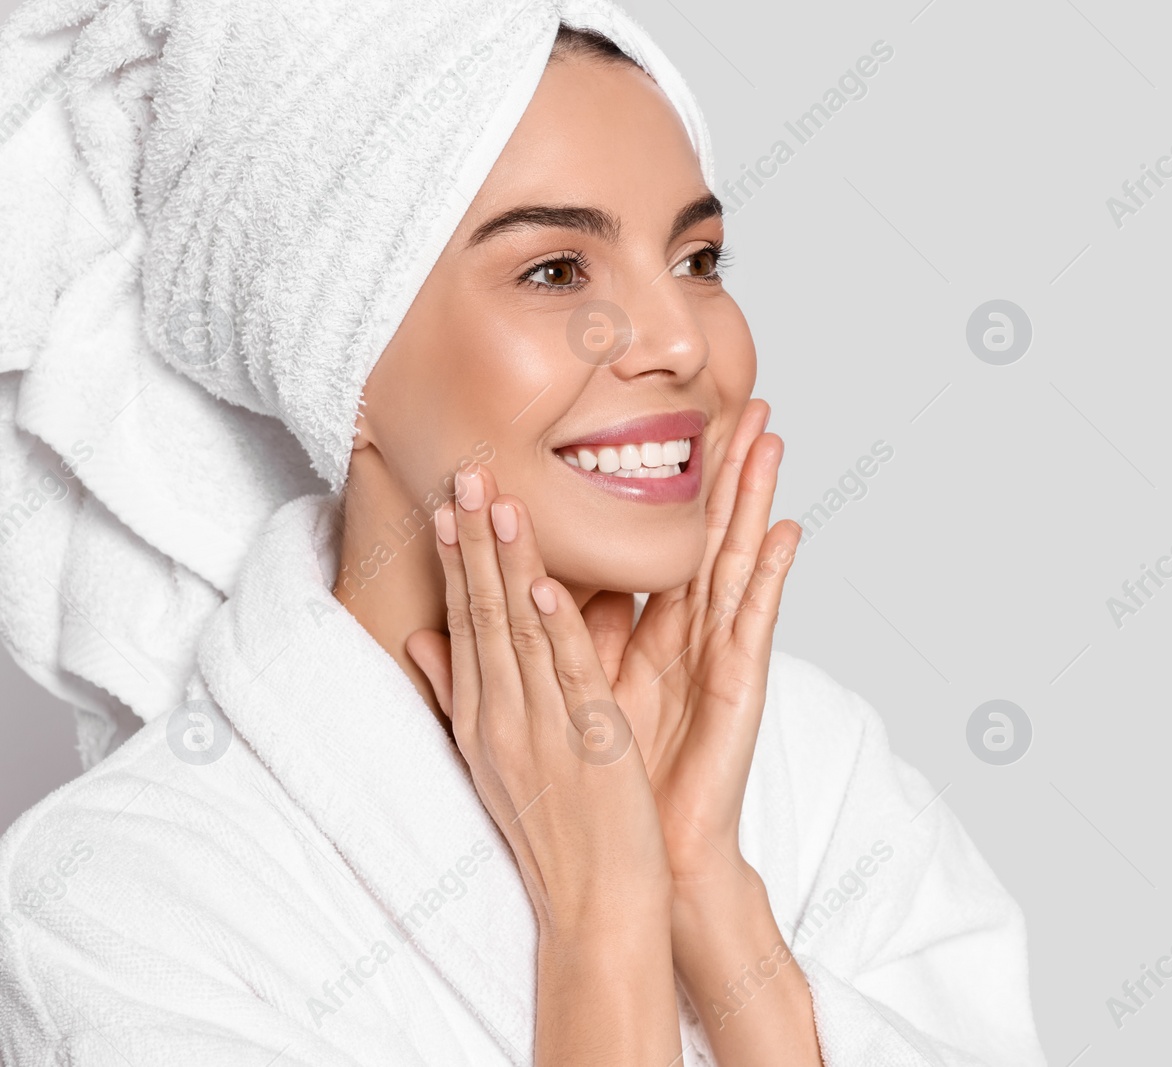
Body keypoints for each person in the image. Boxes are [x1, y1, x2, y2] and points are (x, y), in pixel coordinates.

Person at [0, 2, 1048, 1063]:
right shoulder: (117, 902)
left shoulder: (819, 771)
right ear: (339, 358)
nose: (683, 339)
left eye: (697, 258)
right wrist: (605, 919)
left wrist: (711, 900)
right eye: (556, 272)